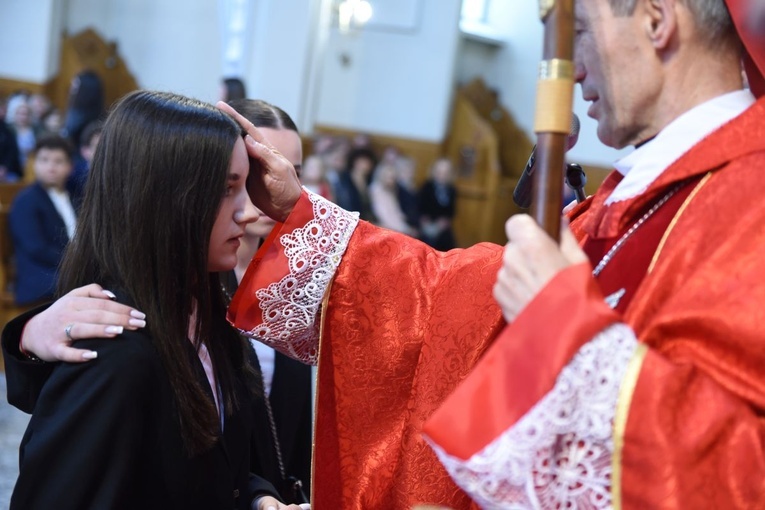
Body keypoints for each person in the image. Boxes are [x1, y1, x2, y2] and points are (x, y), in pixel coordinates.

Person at [421, 0, 765, 507]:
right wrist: (309, 227)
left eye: (581, 30)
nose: (574, 66)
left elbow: (736, 474)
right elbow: (463, 300)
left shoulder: (749, 200)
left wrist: (563, 327)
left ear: (656, 20)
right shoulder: (628, 198)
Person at [6, 90, 303, 510]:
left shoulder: (208, 312)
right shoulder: (117, 353)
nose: (249, 210)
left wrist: (257, 498)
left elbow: (207, 465)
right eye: (226, 189)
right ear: (163, 199)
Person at [220, 98, 313, 502]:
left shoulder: (296, 270)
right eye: (262, 168)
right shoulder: (187, 274)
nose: (276, 186)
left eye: (293, 173)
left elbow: (289, 417)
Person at [9, 135, 78, 306]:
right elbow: (36, 248)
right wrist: (77, 263)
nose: (51, 167)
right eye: (44, 160)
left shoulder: (76, 196)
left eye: (58, 161)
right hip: (41, 274)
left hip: (67, 267)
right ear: (34, 164)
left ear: (70, 166)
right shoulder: (26, 200)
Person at [417, 157, 457, 250]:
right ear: (433, 171)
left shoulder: (451, 190)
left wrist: (444, 221)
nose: (442, 175)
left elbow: (452, 212)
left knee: (449, 246)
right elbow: (420, 207)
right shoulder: (427, 186)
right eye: (439, 172)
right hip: (427, 223)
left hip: (442, 225)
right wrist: (425, 221)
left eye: (445, 173)